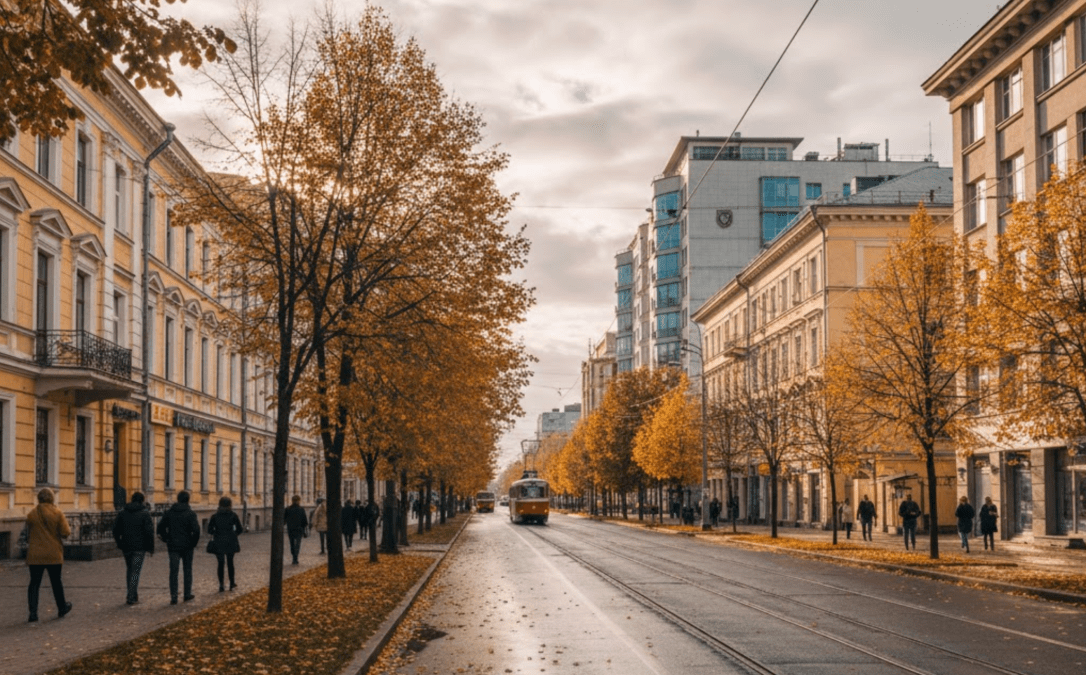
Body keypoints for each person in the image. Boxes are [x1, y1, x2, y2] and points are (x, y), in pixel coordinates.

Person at [25, 488, 72, 622]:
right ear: (52, 498)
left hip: (35, 555)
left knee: (34, 583)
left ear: (38, 499)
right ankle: (62, 607)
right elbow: (66, 532)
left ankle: (33, 613)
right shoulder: (57, 513)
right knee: (56, 582)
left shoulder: (32, 514)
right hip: (53, 554)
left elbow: (28, 531)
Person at [157, 490, 200, 604]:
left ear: (178, 499)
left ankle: (174, 597)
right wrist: (193, 543)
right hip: (187, 546)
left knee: (173, 572)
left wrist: (167, 538)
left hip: (173, 546)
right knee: (187, 570)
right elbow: (196, 531)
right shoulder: (190, 513)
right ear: (188, 500)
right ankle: (187, 594)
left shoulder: (170, 513)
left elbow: (160, 528)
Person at [112, 491, 155, 605]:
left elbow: (115, 530)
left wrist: (119, 543)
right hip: (140, 548)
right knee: (135, 572)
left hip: (126, 547)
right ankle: (131, 596)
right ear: (142, 500)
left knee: (130, 570)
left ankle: (132, 594)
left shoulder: (123, 512)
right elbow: (149, 532)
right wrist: (150, 548)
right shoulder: (145, 513)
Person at [208, 496, 243, 592]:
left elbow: (209, 530)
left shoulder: (215, 516)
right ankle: (232, 583)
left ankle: (221, 585)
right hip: (230, 542)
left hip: (218, 541)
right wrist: (234, 534)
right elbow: (240, 529)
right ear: (230, 505)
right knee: (230, 563)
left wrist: (216, 533)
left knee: (220, 563)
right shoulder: (233, 515)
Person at [284, 495, 308, 565]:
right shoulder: (301, 509)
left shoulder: (288, 509)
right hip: (299, 529)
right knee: (297, 544)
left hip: (290, 529)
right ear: (298, 501)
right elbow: (305, 521)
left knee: (292, 543)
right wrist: (304, 529)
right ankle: (295, 558)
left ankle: (293, 556)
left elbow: (284, 520)